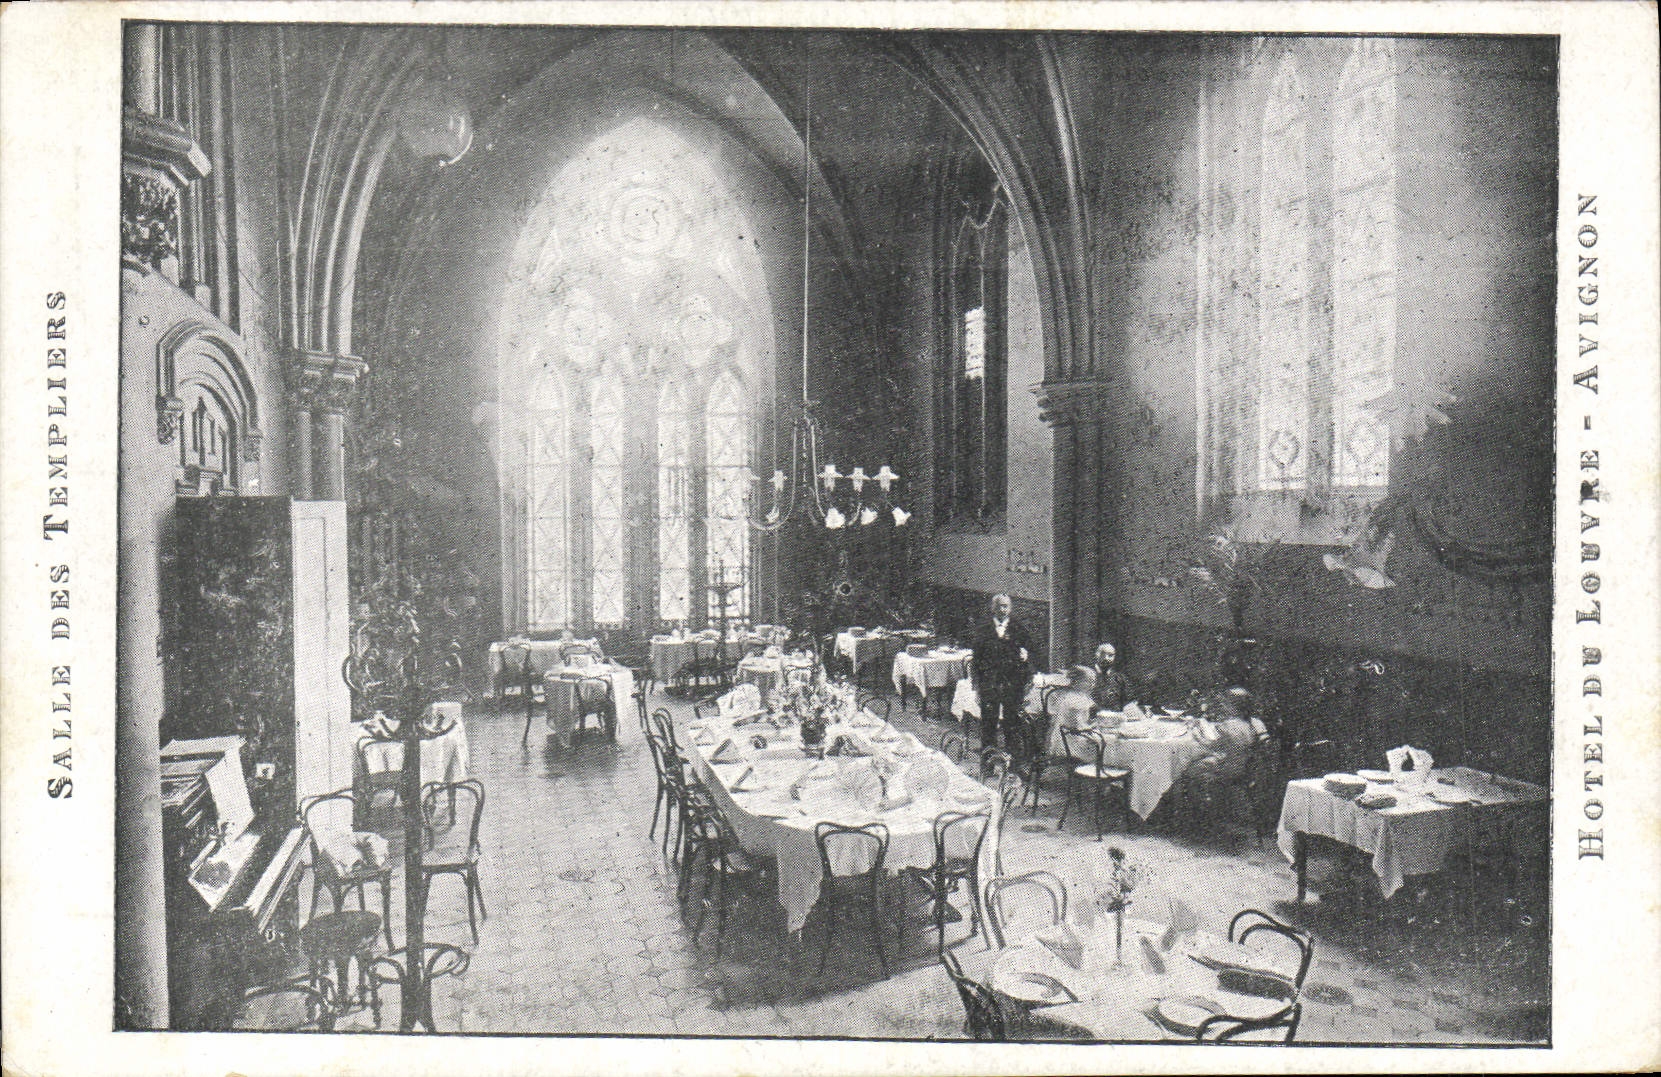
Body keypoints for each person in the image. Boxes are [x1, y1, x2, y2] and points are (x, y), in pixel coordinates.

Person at [971, 594, 1035, 755]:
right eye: (999, 606)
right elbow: (976, 659)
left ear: (1010, 608)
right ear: (993, 608)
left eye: (1006, 606)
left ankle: (1012, 764)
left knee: (1012, 724)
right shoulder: (983, 628)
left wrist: (1026, 657)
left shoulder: (1018, 628)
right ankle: (988, 763)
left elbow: (1031, 651)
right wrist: (977, 686)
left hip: (1012, 684)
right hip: (989, 684)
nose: (1003, 609)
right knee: (988, 724)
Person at [1091, 642, 1132, 711]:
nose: (1106, 658)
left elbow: (1128, 700)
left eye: (1110, 655)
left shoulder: (1120, 678)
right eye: (1102, 654)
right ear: (1096, 655)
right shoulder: (1088, 675)